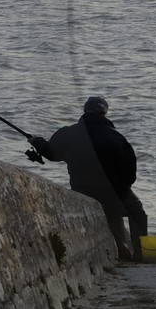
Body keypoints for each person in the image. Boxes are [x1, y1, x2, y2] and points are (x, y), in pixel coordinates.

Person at [30, 96, 147, 263]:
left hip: (82, 189)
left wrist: (37, 141)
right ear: (105, 113)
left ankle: (122, 250)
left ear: (85, 111)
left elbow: (50, 153)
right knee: (137, 211)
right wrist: (120, 187)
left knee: (114, 212)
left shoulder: (69, 132)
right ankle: (140, 254)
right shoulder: (117, 137)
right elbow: (130, 174)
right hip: (114, 192)